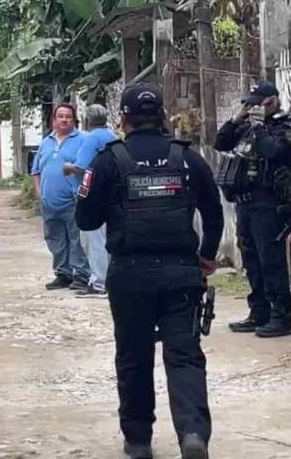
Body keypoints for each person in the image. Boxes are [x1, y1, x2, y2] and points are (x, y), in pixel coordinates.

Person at [76, 83, 223, 459]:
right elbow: (214, 212)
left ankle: (139, 441)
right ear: (162, 115)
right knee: (185, 355)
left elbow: (86, 219)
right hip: (181, 273)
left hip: (130, 275)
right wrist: (206, 256)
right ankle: (192, 434)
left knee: (133, 355)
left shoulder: (109, 161)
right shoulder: (187, 159)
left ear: (123, 119)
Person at [214, 81, 291, 338]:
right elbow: (221, 143)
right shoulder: (246, 126)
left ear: (272, 101)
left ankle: (282, 314)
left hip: (269, 203)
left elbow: (275, 152)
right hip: (245, 203)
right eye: (249, 103)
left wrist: (259, 127)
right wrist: (236, 119)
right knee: (251, 261)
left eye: (257, 102)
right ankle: (259, 311)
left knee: (271, 261)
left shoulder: (283, 126)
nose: (253, 107)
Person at [31, 103, 92, 291]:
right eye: (60, 116)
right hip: (49, 203)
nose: (64, 119)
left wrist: (83, 194)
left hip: (73, 201)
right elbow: (35, 171)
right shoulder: (46, 142)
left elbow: (89, 168)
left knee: (77, 240)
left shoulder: (83, 140)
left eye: (68, 116)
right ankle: (63, 274)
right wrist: (39, 193)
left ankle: (81, 275)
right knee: (55, 240)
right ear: (53, 120)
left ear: (74, 120)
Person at [64, 104, 117, 297]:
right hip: (111, 193)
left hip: (92, 193)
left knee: (92, 240)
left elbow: (81, 167)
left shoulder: (90, 138)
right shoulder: (112, 136)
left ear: (86, 121)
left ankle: (99, 282)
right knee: (107, 239)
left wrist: (67, 167)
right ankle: (109, 280)